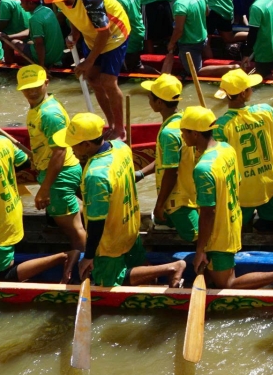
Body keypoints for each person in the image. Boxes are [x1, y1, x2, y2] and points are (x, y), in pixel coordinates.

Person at [182, 105, 273, 290]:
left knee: (227, 284)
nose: (182, 136)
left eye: (185, 132)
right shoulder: (226, 149)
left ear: (196, 134)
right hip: (234, 219)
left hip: (219, 233)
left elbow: (208, 213)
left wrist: (200, 250)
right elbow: (237, 183)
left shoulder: (203, 168)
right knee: (214, 276)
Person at [68, 112, 186, 287]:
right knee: (137, 265)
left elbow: (96, 222)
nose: (71, 149)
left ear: (86, 144)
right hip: (130, 227)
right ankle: (153, 280)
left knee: (108, 282)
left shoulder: (96, 175)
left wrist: (89, 256)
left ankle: (172, 268)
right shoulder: (120, 148)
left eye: (74, 145)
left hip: (110, 241)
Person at [212, 69, 273, 232]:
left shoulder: (221, 125)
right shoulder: (265, 110)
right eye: (250, 88)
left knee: (240, 229)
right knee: (272, 225)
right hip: (269, 183)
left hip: (241, 190)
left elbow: (216, 157)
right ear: (244, 93)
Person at [39, 0, 129, 140]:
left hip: (113, 33)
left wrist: (88, 60)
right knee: (92, 78)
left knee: (108, 82)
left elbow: (105, 33)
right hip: (91, 34)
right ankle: (109, 124)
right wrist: (74, 34)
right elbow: (72, 14)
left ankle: (120, 129)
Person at [16, 65, 84, 282]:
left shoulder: (49, 114)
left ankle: (85, 268)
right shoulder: (38, 107)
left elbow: (60, 152)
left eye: (36, 86)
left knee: (74, 230)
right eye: (27, 88)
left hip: (60, 173)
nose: (32, 92)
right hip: (56, 171)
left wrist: (44, 189)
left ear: (46, 83)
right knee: (70, 223)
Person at [0, 130, 68, 283]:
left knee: (0, 278)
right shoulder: (1, 141)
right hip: (11, 212)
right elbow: (25, 162)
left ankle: (63, 257)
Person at [145, 74, 199, 244]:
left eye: (150, 97)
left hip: (178, 200)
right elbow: (165, 161)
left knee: (195, 237)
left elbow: (171, 172)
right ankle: (164, 220)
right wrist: (141, 173)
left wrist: (159, 204)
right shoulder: (183, 121)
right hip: (190, 190)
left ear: (159, 103)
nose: (148, 100)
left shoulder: (169, 134)